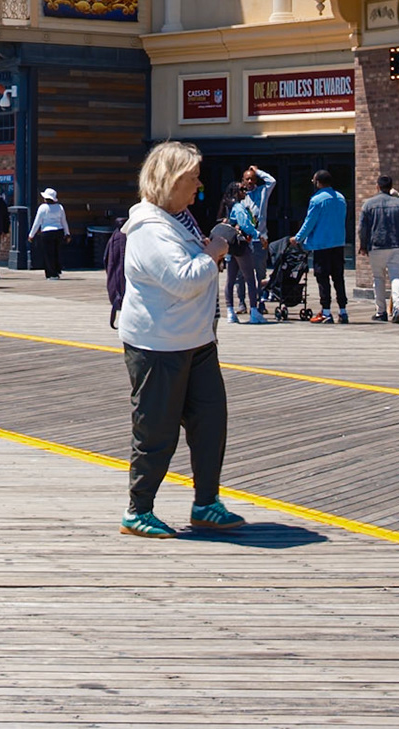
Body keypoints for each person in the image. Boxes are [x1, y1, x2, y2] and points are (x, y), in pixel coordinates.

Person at [117, 140, 246, 539]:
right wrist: (216, 251)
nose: (198, 185)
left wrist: (211, 245)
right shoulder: (148, 230)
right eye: (191, 178)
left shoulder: (180, 219)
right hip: (158, 345)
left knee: (210, 424)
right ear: (169, 181)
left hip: (196, 340)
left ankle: (206, 503)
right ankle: (138, 511)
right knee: (156, 430)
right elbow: (183, 281)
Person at [289, 169, 348, 323]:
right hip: (338, 242)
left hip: (322, 245)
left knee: (322, 278)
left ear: (318, 182)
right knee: (338, 278)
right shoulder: (341, 198)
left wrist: (298, 238)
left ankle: (326, 312)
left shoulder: (317, 200)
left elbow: (310, 222)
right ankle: (343, 311)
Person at [357, 176, 399, 323]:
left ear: (377, 186)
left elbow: (362, 228)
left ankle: (381, 311)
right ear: (391, 187)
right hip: (396, 245)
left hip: (376, 245)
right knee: (396, 276)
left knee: (378, 277)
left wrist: (363, 245)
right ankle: (398, 307)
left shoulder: (368, 205)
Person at [214, 182, 264, 325]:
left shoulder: (227, 207)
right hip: (241, 245)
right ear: (236, 192)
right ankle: (254, 311)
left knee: (231, 279)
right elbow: (245, 225)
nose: (245, 191)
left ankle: (230, 312)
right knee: (250, 278)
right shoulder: (238, 207)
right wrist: (258, 235)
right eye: (242, 189)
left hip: (229, 246)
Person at [30, 188, 69, 279]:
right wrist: (67, 233)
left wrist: (31, 235)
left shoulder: (43, 208)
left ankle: (51, 274)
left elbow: (37, 222)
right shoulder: (60, 207)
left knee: (48, 254)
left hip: (47, 232)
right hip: (59, 231)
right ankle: (57, 271)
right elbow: (64, 221)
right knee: (56, 252)